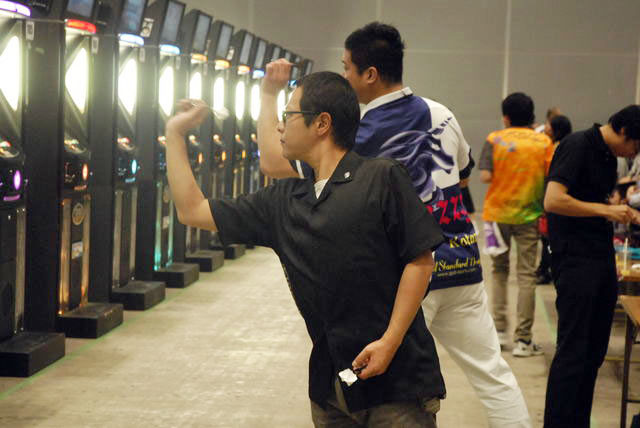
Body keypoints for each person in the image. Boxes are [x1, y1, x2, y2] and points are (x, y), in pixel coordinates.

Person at [258, 22, 531, 428]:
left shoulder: (355, 133)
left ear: (369, 74)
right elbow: (461, 177)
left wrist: (269, 95)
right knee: (493, 375)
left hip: (408, 277)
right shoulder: (441, 113)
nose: (344, 76)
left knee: (382, 391)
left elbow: (273, 164)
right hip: (462, 265)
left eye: (346, 67)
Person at [165, 71, 447, 427]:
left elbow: (420, 261)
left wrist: (389, 342)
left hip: (398, 385)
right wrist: (174, 134)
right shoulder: (284, 201)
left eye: (288, 115)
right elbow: (192, 210)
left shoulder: (381, 177)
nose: (280, 126)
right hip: (332, 389)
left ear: (322, 123)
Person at [543, 105, 640, 428]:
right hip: (575, 260)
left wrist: (619, 210)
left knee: (594, 352)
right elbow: (553, 200)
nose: (634, 153)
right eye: (635, 145)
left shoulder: (608, 157)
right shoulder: (578, 145)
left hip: (600, 258)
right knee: (573, 351)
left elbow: (593, 200)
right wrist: (606, 211)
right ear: (624, 131)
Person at [479, 92, 553, 357]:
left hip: (496, 215)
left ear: (506, 117)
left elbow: (485, 176)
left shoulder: (494, 139)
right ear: (531, 115)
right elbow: (551, 177)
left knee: (499, 271)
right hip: (530, 215)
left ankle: (499, 333)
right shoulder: (544, 142)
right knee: (526, 276)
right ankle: (523, 340)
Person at [536, 114, 573, 284]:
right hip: (555, 199)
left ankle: (546, 270)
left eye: (548, 126)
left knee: (548, 238)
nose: (545, 128)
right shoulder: (566, 145)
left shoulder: (556, 148)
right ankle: (545, 269)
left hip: (553, 200)